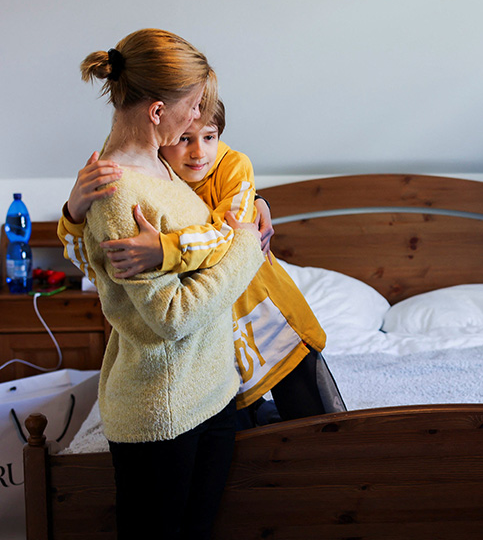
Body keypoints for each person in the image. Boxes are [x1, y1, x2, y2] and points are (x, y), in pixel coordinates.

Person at [74, 29, 265, 539]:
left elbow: (206, 229)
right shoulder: (116, 191)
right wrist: (247, 248)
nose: (198, 117)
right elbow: (172, 317)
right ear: (158, 111)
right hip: (163, 409)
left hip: (212, 392)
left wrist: (254, 209)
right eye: (194, 105)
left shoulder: (161, 162)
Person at [58, 99, 337, 423]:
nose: (198, 152)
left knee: (317, 425)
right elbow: (96, 262)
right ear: (163, 136)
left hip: (265, 311)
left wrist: (164, 249)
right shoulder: (143, 180)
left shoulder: (232, 165)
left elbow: (230, 238)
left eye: (209, 137)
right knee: (246, 436)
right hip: (210, 333)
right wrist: (73, 212)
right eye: (184, 139)